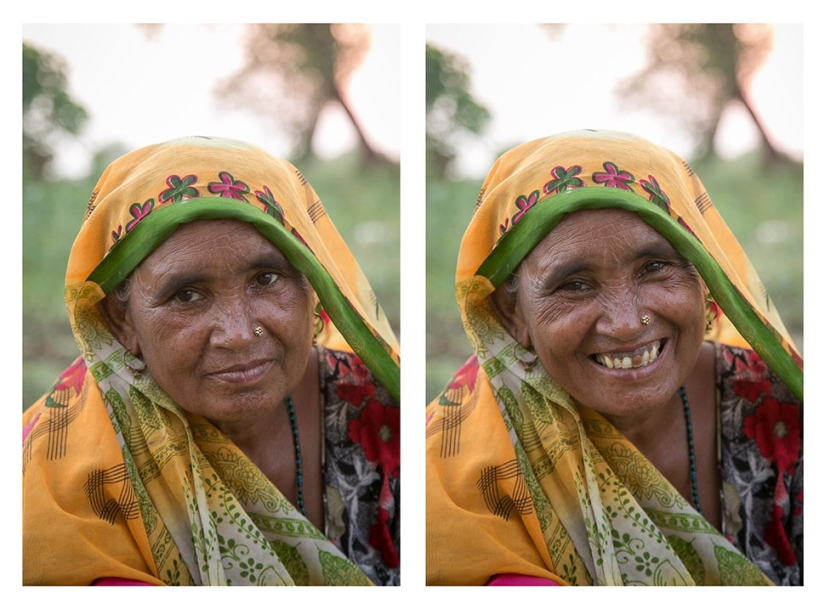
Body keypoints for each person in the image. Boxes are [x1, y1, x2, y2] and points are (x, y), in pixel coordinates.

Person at [426, 130, 802, 586]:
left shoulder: (785, 409)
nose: (625, 323)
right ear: (512, 313)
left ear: (705, 279)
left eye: (655, 268)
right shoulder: (446, 476)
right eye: (575, 284)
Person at [23, 136, 400, 586]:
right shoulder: (55, 474)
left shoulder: (381, 413)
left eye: (266, 278)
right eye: (186, 294)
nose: (238, 334)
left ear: (314, 287)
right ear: (121, 320)